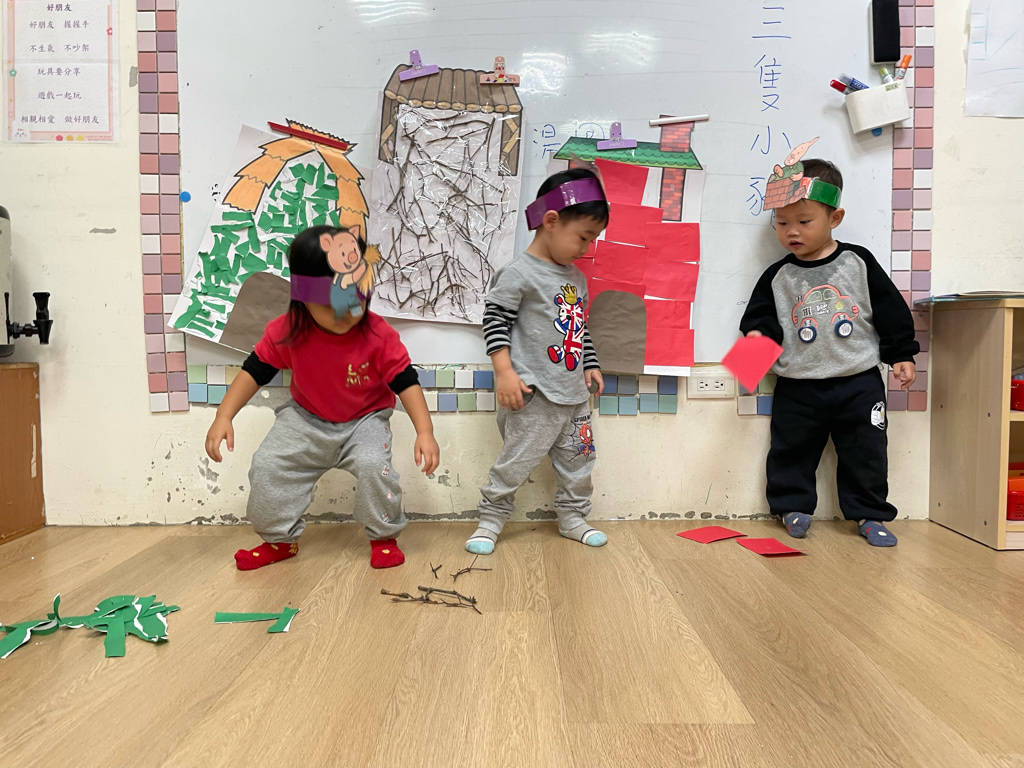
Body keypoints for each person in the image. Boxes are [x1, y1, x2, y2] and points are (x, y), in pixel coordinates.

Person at [205, 225, 440, 569]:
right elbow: (254, 372)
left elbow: (406, 382)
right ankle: (279, 540)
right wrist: (223, 416)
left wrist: (425, 431)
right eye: (332, 306)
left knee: (374, 466)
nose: (345, 314)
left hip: (365, 421)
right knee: (268, 465)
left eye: (355, 302)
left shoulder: (378, 334)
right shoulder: (287, 330)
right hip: (305, 418)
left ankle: (383, 537)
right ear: (303, 299)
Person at [740, 157, 919, 547]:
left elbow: (890, 310)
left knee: (867, 452)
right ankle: (791, 507)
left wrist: (902, 353)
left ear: (834, 218)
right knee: (790, 449)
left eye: (804, 221)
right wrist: (755, 340)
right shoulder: (777, 276)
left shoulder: (858, 262)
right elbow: (760, 319)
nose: (792, 231)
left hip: (859, 383)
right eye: (781, 223)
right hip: (798, 385)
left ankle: (870, 514)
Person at [466, 168, 609, 555]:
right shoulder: (518, 274)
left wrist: (590, 363)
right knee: (514, 463)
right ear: (551, 221)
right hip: (535, 395)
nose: (587, 247)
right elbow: (494, 321)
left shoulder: (577, 279)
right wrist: (504, 371)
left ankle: (573, 518)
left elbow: (579, 328)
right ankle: (490, 520)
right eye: (583, 237)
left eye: (592, 239)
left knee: (580, 462)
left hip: (574, 396)